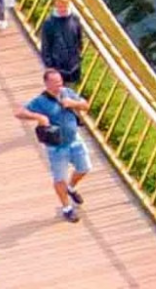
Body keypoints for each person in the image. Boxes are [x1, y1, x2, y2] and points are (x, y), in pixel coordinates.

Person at [15, 68, 92, 222]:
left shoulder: (67, 92)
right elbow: (19, 112)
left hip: (74, 140)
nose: (59, 85)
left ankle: (70, 187)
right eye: (55, 82)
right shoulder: (40, 101)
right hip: (57, 147)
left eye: (60, 81)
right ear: (47, 84)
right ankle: (67, 208)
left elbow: (86, 105)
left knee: (84, 168)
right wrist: (38, 116)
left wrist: (73, 103)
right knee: (59, 178)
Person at [39, 0, 84, 85]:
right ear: (55, 6)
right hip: (57, 67)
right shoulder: (49, 23)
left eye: (64, 6)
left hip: (73, 65)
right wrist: (50, 66)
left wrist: (78, 56)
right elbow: (45, 46)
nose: (62, 9)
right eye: (59, 7)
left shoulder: (75, 19)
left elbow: (79, 39)